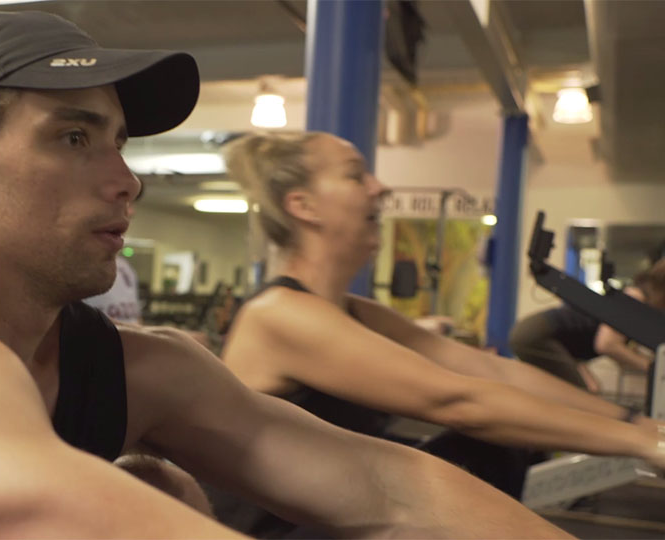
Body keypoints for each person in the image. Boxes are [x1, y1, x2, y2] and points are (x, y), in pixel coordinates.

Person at [0, 12, 572, 538]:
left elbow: (394, 488)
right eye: (74, 137)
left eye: (120, 141)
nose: (126, 178)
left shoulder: (139, 367)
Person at [217, 131, 665, 529]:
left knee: (494, 452)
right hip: (275, 529)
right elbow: (457, 400)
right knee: (473, 442)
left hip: (331, 509)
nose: (380, 187)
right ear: (303, 205)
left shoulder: (357, 312)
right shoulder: (280, 314)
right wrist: (645, 442)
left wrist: (637, 424)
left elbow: (492, 373)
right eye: (357, 176)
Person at [510, 260, 665, 391]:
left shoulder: (635, 298)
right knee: (580, 399)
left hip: (542, 335)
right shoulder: (635, 299)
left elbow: (576, 341)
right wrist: (654, 368)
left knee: (588, 391)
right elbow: (607, 344)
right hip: (537, 333)